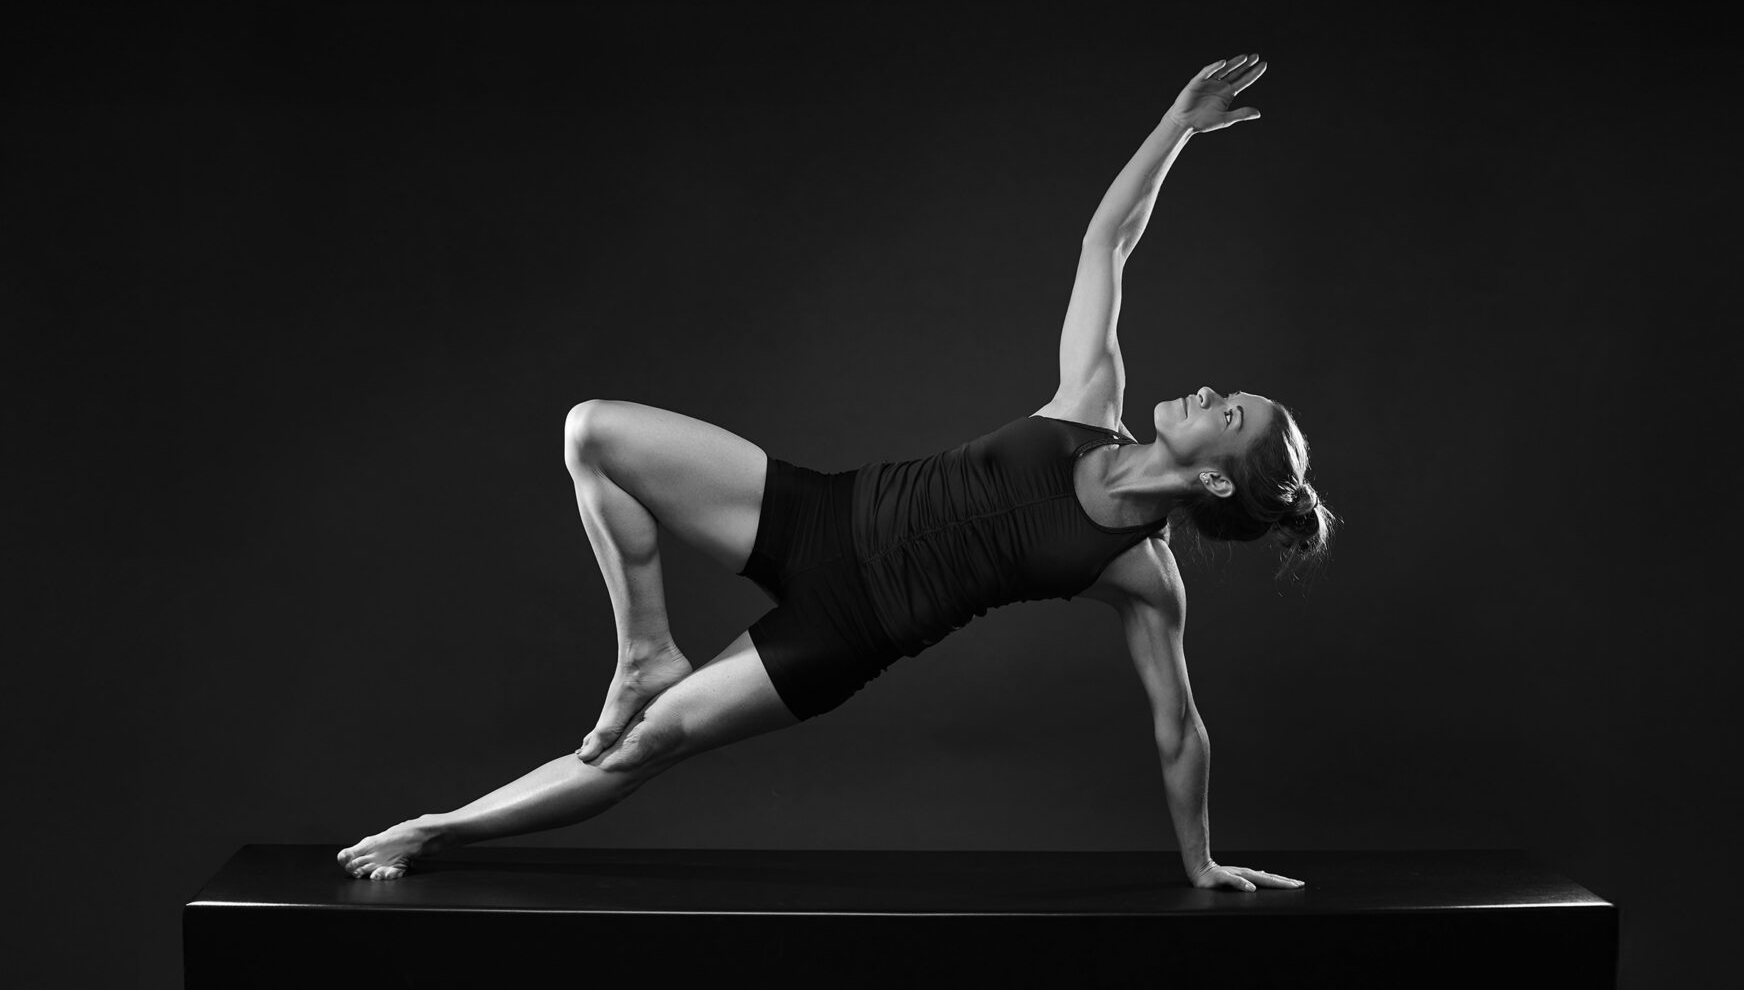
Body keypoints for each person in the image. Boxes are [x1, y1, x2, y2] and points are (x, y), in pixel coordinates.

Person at [338, 54, 1332, 891]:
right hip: (816, 515)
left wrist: (1200, 863)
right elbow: (1107, 241)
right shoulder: (1088, 402)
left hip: (843, 634)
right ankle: (645, 649)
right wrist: (1176, 126)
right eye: (1227, 394)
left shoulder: (1142, 574)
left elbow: (1179, 729)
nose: (1210, 393)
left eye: (1228, 414)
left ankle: (436, 831)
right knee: (592, 430)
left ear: (1217, 483)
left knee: (641, 751)